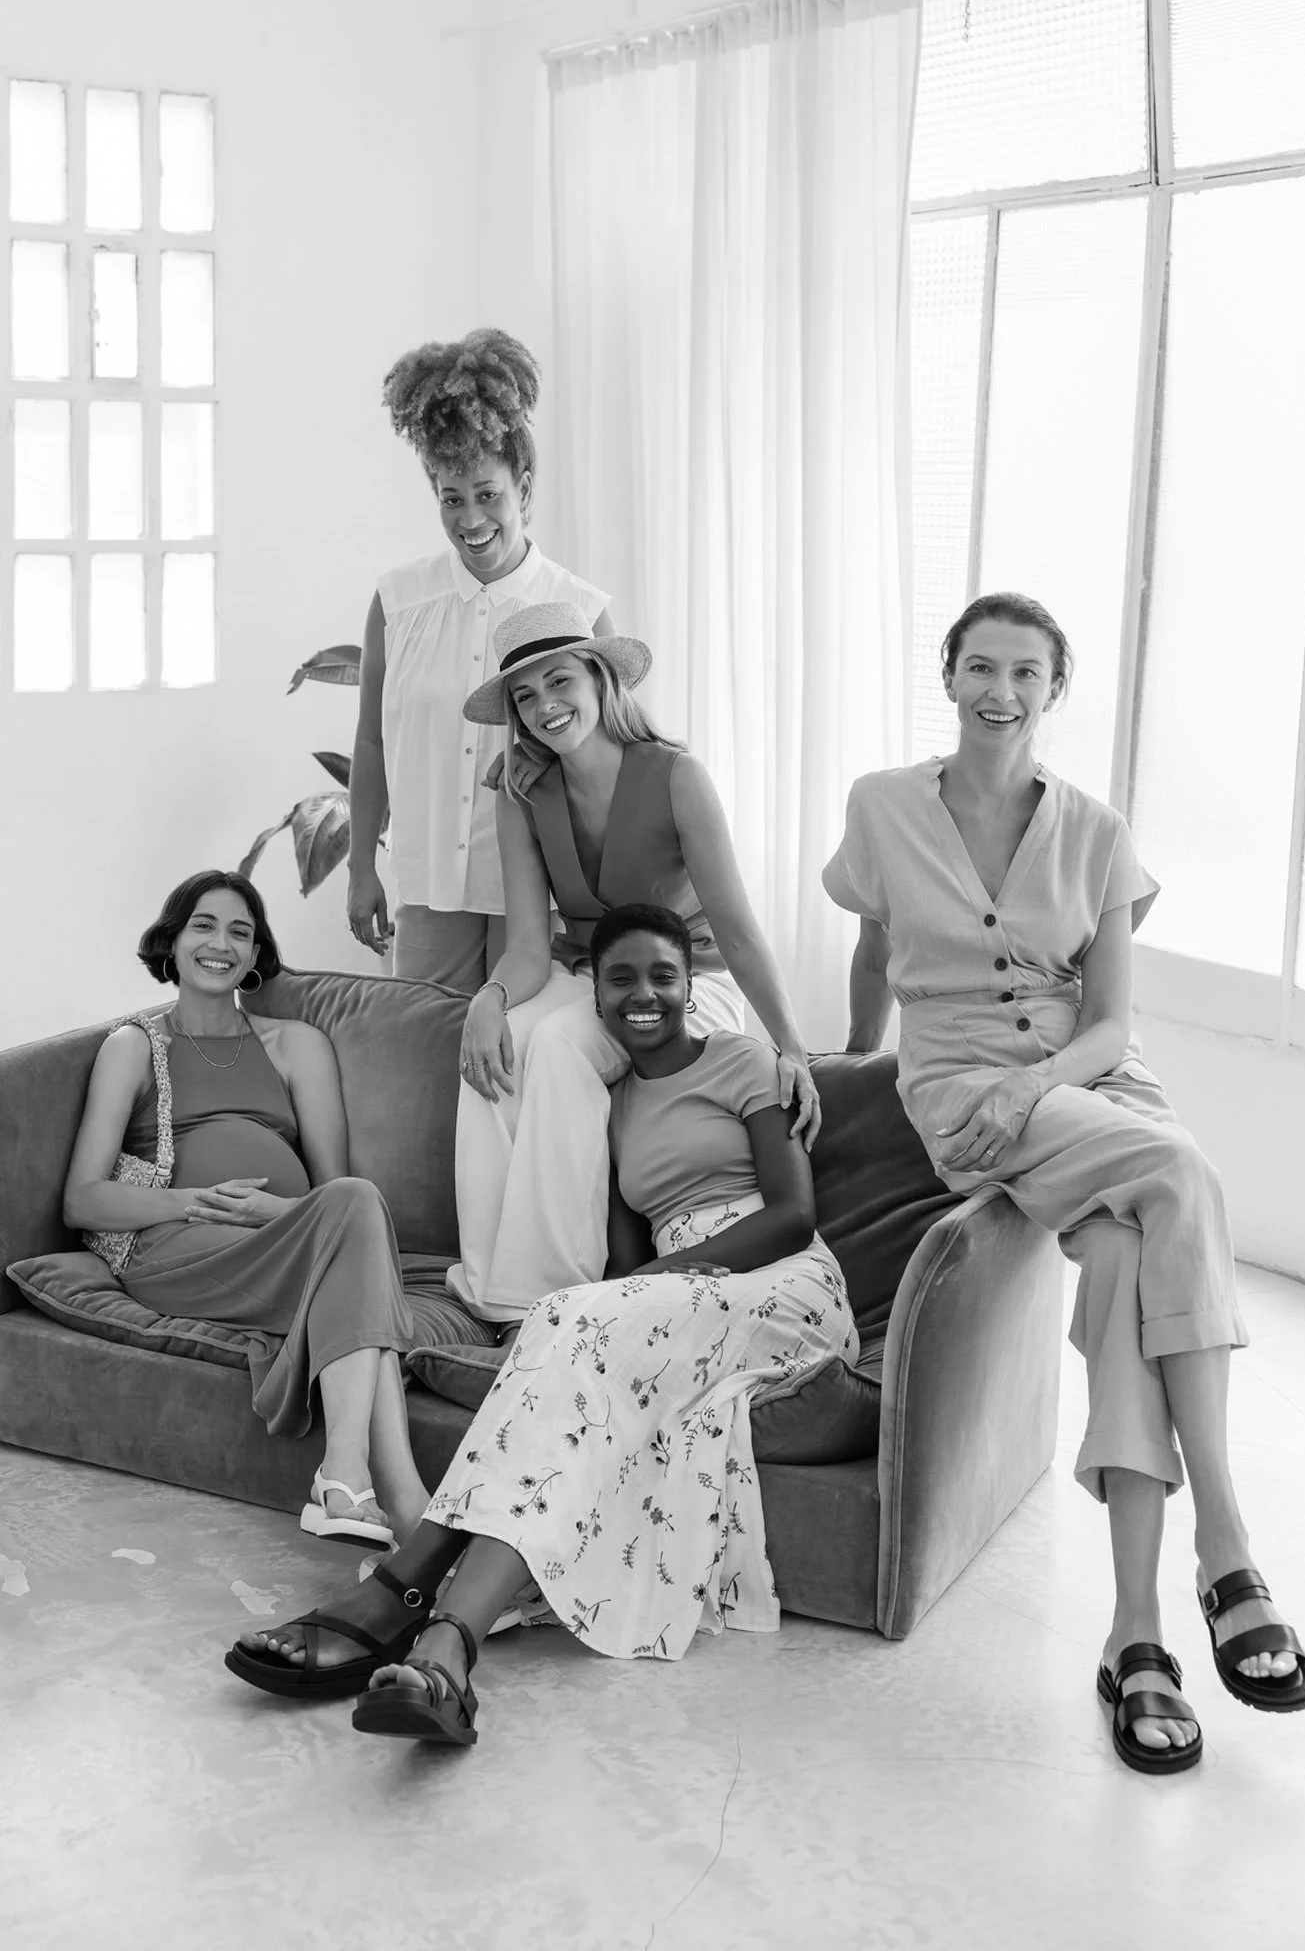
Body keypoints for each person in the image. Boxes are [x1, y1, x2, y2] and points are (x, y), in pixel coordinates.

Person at [823, 590, 1305, 1775]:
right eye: (979, 666)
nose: (1000, 690)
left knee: (1118, 1276)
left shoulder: (1096, 829)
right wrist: (849, 1060)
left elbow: (1108, 1022)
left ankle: (1134, 1627)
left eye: (1025, 673)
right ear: (946, 676)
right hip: (961, 1087)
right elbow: (870, 946)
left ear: (1054, 691)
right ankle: (1229, 1541)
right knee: (1181, 1167)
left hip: (1087, 1078)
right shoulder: (882, 806)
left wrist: (1039, 1078)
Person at [225, 903, 855, 1740]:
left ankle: (401, 1587)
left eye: (663, 976)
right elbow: (624, 1254)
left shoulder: (744, 1063)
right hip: (671, 1301)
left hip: (779, 1285)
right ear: (593, 994)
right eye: (621, 978)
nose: (644, 995)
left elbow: (791, 1216)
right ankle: (446, 1654)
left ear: (690, 985)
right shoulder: (612, 1099)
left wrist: (637, 1293)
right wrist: (628, 1298)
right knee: (580, 1400)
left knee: (566, 1316)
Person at [446, 600, 821, 1325]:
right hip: (588, 975)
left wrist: (792, 1045)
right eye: (525, 697)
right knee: (495, 1052)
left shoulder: (676, 775)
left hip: (688, 982)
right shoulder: (522, 790)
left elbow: (738, 933)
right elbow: (527, 946)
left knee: (555, 1045)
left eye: (558, 682)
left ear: (598, 678)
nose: (544, 706)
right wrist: (487, 1000)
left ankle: (551, 1296)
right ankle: (490, 1284)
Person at [63, 871, 431, 1547]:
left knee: (357, 1209)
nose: (221, 943)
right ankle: (390, 1503)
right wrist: (189, 1201)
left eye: (241, 931)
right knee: (364, 1275)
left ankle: (368, 1496)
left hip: (280, 1238)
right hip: (176, 1250)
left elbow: (334, 1188)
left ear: (257, 954)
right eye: (203, 925)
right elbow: (82, 1198)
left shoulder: (297, 1045)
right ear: (170, 942)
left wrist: (269, 1211)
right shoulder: (135, 1046)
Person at [348, 327, 614, 993]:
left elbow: (614, 765)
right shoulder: (398, 602)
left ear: (523, 488)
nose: (471, 520)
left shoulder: (580, 611)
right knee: (428, 1065)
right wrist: (359, 868)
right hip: (429, 881)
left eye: (487, 494)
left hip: (544, 888)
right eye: (451, 498)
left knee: (521, 1062)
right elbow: (372, 740)